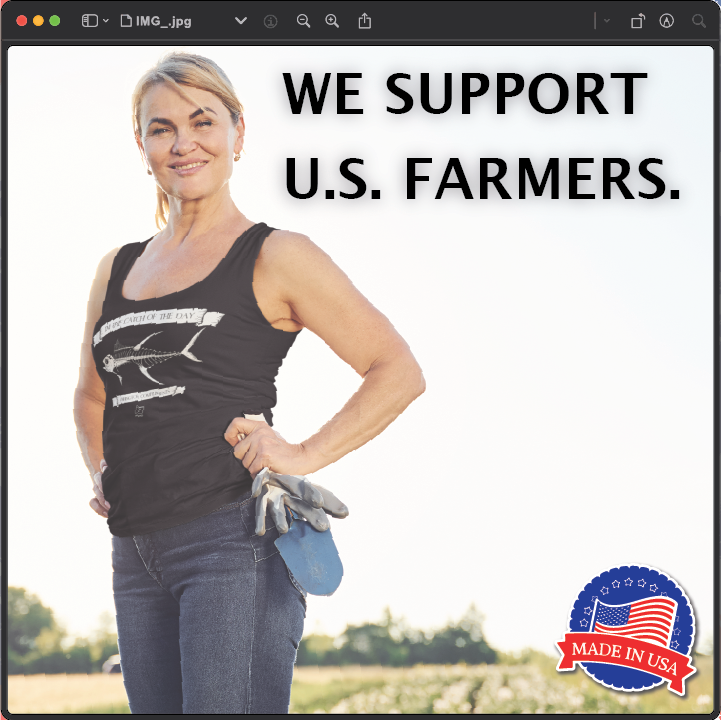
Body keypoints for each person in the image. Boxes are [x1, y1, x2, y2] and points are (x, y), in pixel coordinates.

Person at [73, 52, 425, 714]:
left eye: (203, 121)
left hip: (230, 542)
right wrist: (101, 468)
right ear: (141, 144)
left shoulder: (275, 255)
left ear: (239, 132)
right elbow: (92, 394)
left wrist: (301, 454)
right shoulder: (115, 268)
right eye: (161, 128)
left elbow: (397, 370)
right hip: (135, 552)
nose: (184, 143)